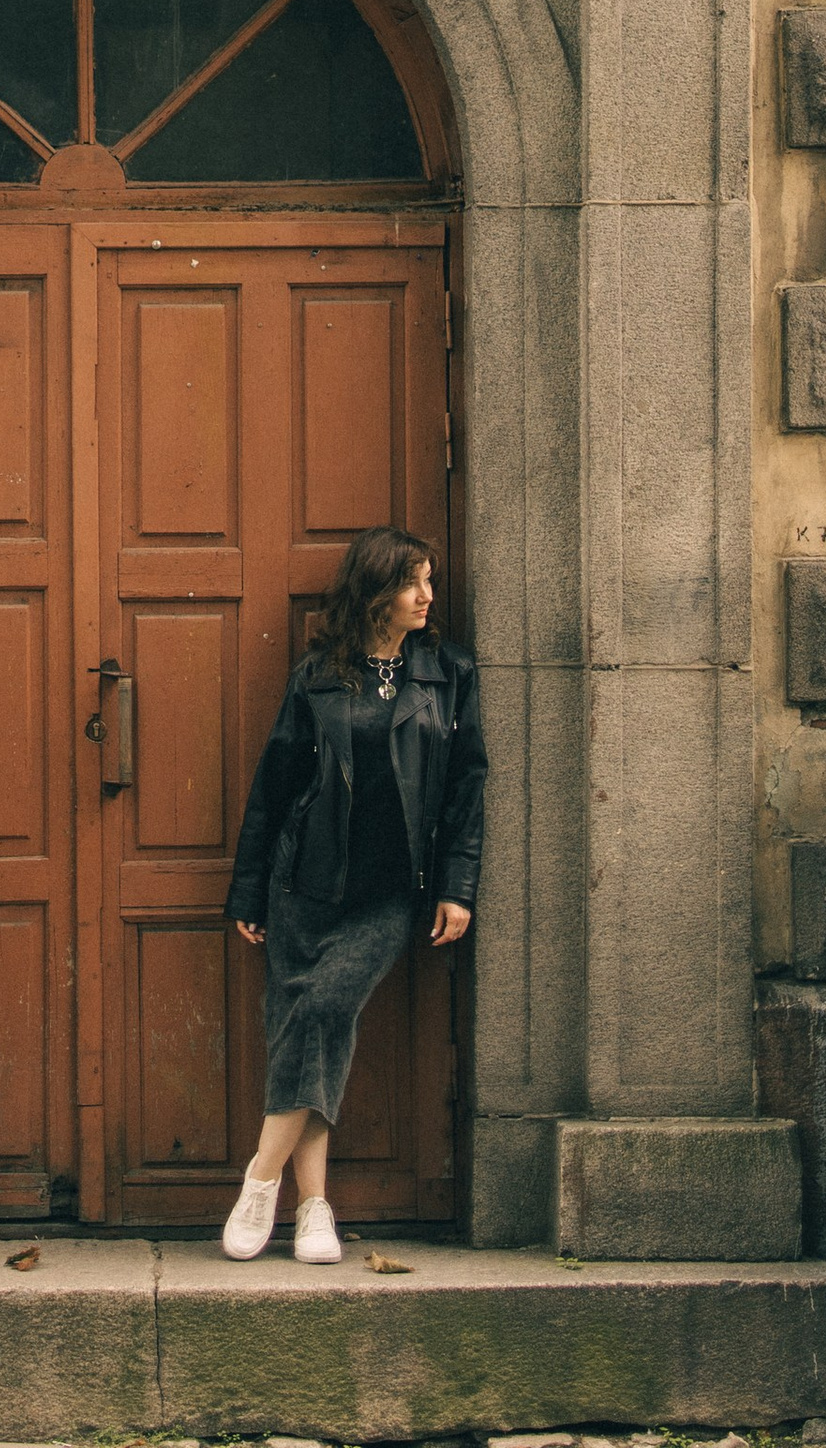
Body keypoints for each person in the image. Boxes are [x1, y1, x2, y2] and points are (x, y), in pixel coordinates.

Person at [217, 523, 487, 1265]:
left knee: (323, 1008)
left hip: (391, 891)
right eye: (414, 583)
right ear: (376, 592)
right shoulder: (319, 673)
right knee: (312, 1033)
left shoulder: (448, 672)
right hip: (305, 884)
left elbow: (467, 788)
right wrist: (248, 892)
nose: (429, 596)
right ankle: (313, 1211)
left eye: (430, 581)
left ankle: (259, 1179)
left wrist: (457, 888)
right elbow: (275, 785)